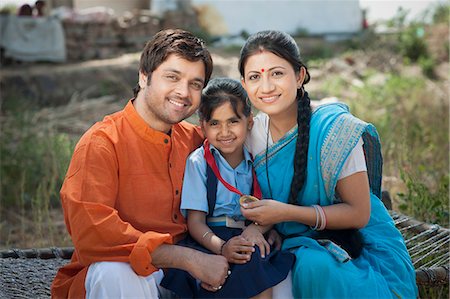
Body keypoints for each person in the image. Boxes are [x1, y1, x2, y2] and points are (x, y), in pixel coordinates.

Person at [51, 29, 231, 299]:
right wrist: (186, 258)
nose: (184, 92)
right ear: (144, 76)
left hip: (186, 279)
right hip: (127, 279)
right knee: (115, 271)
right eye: (172, 77)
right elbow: (92, 231)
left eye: (196, 84)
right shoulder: (102, 143)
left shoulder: (197, 141)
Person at [239, 30, 418, 298]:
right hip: (288, 240)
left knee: (313, 267)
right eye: (255, 77)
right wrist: (261, 227)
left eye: (277, 74)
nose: (265, 87)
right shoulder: (249, 134)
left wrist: (286, 214)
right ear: (243, 83)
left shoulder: (336, 131)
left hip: (357, 244)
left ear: (299, 76)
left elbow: (359, 214)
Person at [160, 78, 294, 298]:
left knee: (259, 266)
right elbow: (195, 223)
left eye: (233, 121)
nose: (224, 132)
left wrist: (260, 230)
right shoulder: (199, 163)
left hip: (247, 236)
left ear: (249, 122)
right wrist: (222, 247)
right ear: (202, 126)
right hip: (210, 238)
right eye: (215, 123)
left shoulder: (259, 160)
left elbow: (270, 210)